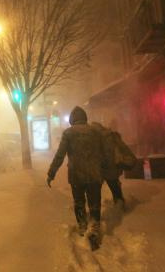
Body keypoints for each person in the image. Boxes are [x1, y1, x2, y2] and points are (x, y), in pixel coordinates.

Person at [47, 106, 105, 249]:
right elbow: (104, 153)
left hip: (76, 175)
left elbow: (60, 155)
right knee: (94, 203)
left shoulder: (68, 133)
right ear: (85, 118)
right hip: (94, 174)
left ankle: (82, 227)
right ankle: (94, 228)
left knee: (79, 202)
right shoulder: (95, 132)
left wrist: (51, 173)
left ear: (72, 120)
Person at [91, 122, 125, 207]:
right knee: (114, 186)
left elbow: (97, 153)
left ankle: (95, 211)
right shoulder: (109, 134)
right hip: (111, 166)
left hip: (103, 167)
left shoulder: (98, 137)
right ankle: (119, 203)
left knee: (95, 190)